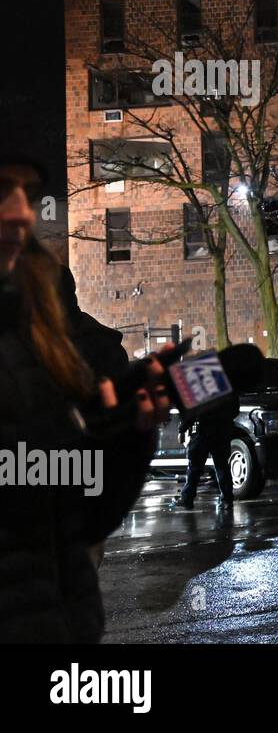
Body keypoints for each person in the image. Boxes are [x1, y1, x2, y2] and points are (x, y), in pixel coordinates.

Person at [0, 147, 172, 641]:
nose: (21, 212)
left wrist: (131, 434)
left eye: (28, 194)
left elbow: (82, 519)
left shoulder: (48, 307)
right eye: (1, 191)